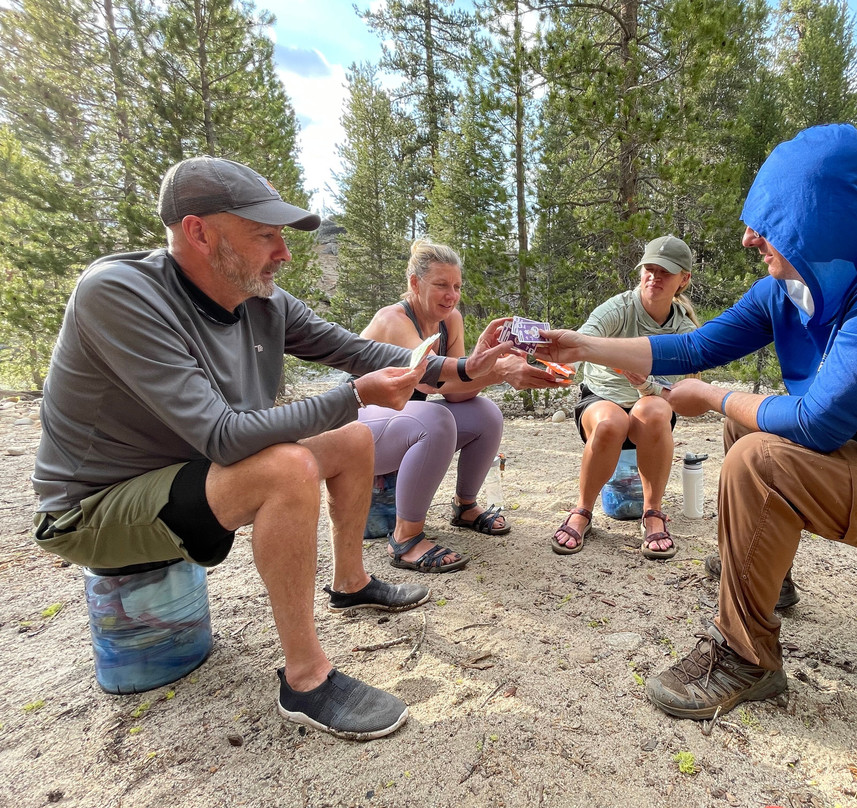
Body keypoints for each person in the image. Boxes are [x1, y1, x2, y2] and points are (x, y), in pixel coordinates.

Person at [535, 124, 857, 721]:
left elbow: (816, 424)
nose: (748, 236)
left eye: (774, 218)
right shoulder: (793, 289)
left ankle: (744, 658)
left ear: (824, 217)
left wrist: (714, 397)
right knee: (750, 430)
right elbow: (694, 348)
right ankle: (769, 579)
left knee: (759, 460)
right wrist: (580, 346)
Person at [31, 156, 515, 741]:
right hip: (95, 507)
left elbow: (355, 351)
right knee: (289, 466)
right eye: (264, 236)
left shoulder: (259, 299)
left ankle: (352, 583)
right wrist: (354, 396)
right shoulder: (119, 294)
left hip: (186, 470)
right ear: (199, 232)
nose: (283, 254)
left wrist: (463, 366)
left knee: (353, 438)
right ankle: (307, 679)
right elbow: (224, 436)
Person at [357, 238, 567, 572]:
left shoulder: (449, 319)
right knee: (435, 417)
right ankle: (405, 539)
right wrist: (495, 371)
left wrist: (488, 362)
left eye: (456, 286)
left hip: (400, 425)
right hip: (357, 432)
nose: (451, 295)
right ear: (414, 283)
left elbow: (458, 392)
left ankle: (465, 506)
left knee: (486, 414)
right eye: (441, 285)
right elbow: (430, 381)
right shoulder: (393, 320)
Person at [550, 236, 699, 559]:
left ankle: (652, 513)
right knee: (610, 422)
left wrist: (646, 385)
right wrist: (559, 366)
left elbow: (687, 398)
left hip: (651, 408)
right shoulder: (619, 309)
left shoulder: (685, 330)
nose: (654, 278)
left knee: (655, 410)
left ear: (683, 279)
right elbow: (583, 338)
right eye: (649, 269)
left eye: (666, 272)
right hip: (601, 399)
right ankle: (583, 510)